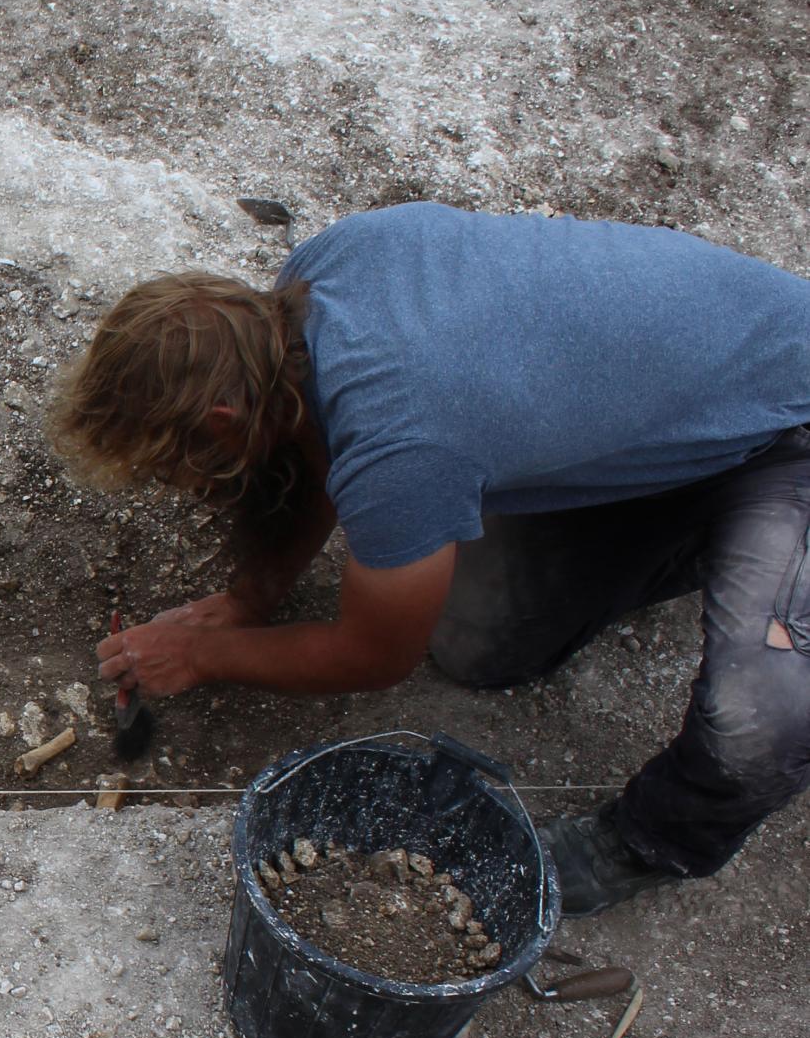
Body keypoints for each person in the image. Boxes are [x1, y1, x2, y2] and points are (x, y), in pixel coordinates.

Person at [53, 200, 810, 915]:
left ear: (222, 421)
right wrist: (255, 596)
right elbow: (314, 436)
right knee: (479, 637)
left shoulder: (403, 443)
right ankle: (702, 525)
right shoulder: (312, 284)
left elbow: (373, 654)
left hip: (793, 422)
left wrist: (203, 655)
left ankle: (648, 841)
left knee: (758, 717)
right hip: (691, 406)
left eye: (170, 467)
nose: (177, 486)